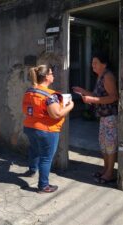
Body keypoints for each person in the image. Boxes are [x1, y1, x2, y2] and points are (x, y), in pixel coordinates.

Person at [22, 65, 74, 193]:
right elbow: (56, 114)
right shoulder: (50, 96)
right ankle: (43, 186)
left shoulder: (29, 91)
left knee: (34, 149)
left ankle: (32, 170)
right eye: (51, 73)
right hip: (46, 130)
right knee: (46, 158)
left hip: (29, 127)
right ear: (46, 77)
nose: (53, 75)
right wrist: (70, 106)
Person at [72, 52, 118, 184]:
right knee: (103, 144)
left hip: (110, 116)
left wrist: (92, 99)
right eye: (92, 62)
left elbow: (113, 97)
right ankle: (105, 170)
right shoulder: (100, 76)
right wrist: (83, 91)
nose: (93, 65)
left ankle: (110, 173)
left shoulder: (108, 76)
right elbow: (97, 95)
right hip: (103, 116)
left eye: (95, 63)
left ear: (104, 64)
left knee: (110, 145)